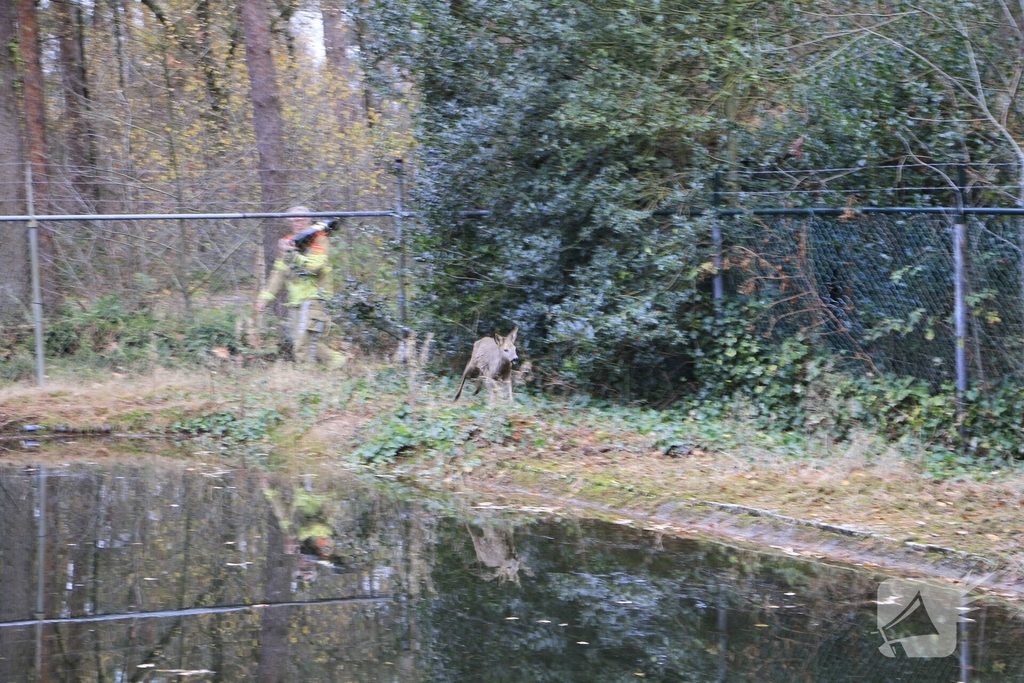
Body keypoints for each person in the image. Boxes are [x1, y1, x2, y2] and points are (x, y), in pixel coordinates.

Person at [255, 206, 344, 368]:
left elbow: (313, 267)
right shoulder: (289, 242)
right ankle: (337, 362)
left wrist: (291, 254)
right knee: (302, 340)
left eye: (301, 219)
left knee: (302, 344)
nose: (298, 223)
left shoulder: (319, 239)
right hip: (296, 301)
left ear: (309, 220)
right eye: (294, 220)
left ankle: (306, 377)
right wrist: (265, 298)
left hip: (314, 298)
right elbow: (279, 273)